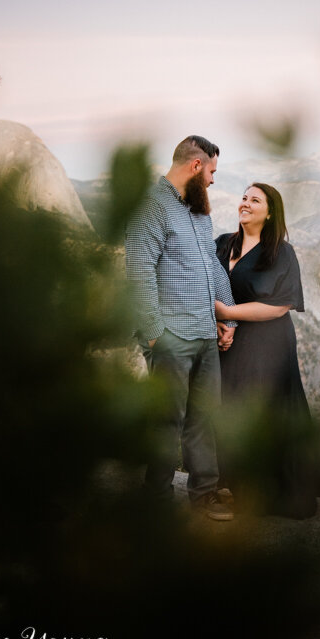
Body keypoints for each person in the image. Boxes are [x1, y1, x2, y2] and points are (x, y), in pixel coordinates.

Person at [125, 135, 237, 521]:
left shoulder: (199, 212)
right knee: (166, 423)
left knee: (204, 418)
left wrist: (228, 319)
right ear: (195, 166)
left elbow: (212, 265)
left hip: (205, 334)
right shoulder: (150, 208)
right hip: (171, 337)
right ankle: (155, 499)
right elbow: (138, 273)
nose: (212, 181)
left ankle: (203, 495)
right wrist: (156, 335)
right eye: (211, 172)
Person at [215, 182, 320, 519]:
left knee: (264, 410)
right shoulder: (223, 244)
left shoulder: (280, 252)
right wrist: (219, 325)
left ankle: (268, 493)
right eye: (244, 197)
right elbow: (207, 286)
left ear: (270, 212)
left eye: (255, 200)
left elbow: (280, 306)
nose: (245, 203)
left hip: (268, 344)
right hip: (228, 342)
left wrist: (228, 314)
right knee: (230, 407)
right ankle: (236, 486)